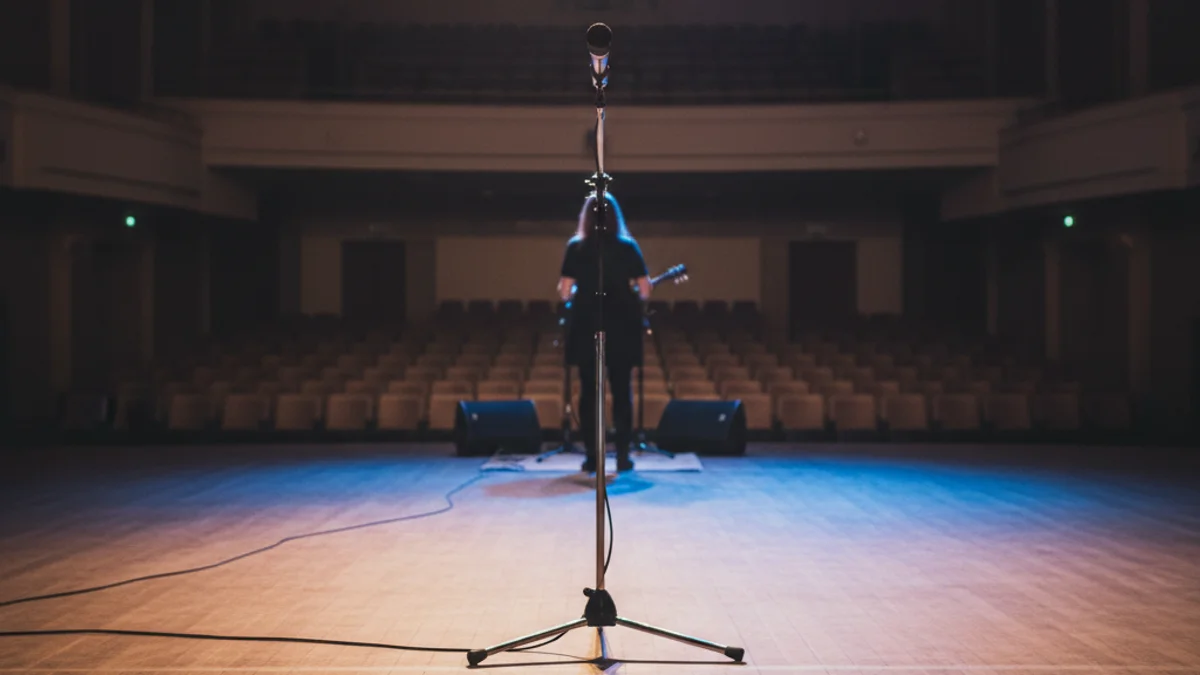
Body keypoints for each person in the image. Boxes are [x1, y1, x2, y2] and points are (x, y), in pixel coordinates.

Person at [558, 192, 651, 473]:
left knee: (590, 395)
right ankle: (622, 456)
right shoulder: (628, 247)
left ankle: (592, 457)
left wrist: (578, 291)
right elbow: (645, 289)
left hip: (587, 326)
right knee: (622, 393)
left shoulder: (576, 247)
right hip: (622, 327)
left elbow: (564, 292)